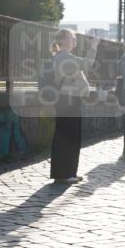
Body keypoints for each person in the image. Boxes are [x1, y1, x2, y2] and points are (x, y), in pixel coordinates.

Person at [48, 29, 94, 184]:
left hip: (69, 99)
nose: (75, 41)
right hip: (69, 100)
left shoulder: (63, 57)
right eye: (72, 38)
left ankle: (68, 173)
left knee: (69, 136)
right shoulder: (64, 57)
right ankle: (64, 174)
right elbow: (87, 64)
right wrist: (94, 46)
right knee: (69, 136)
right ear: (63, 41)